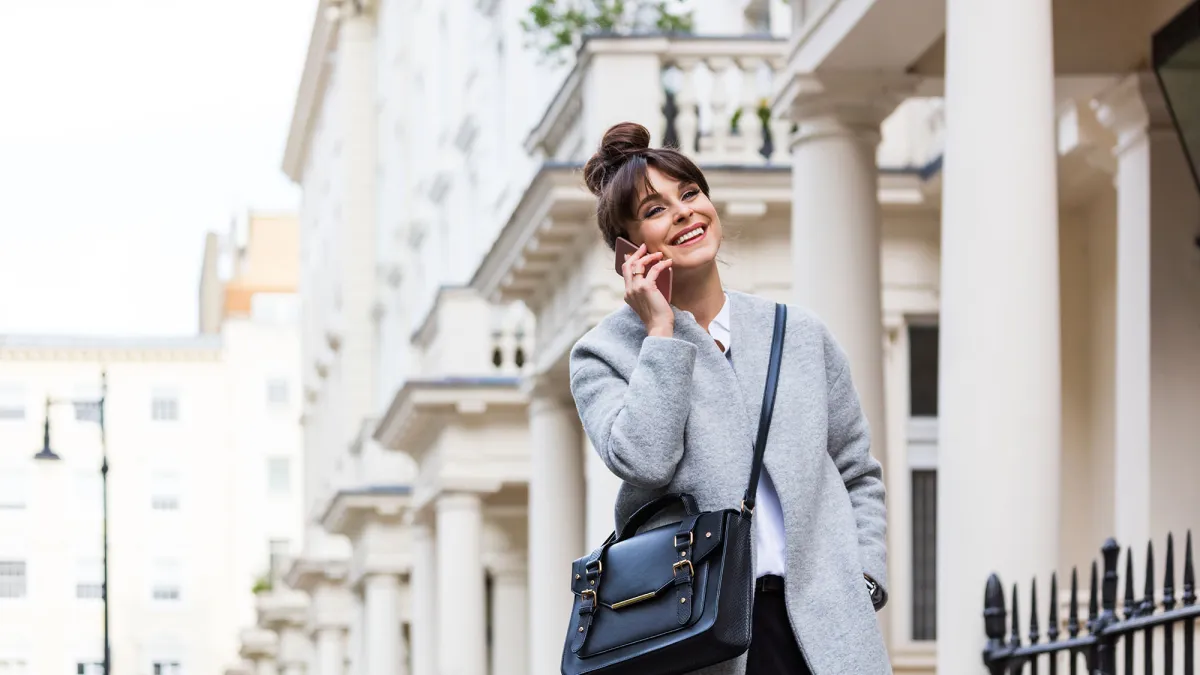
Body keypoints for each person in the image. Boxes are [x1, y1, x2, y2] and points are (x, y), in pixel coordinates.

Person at [568, 122, 892, 675]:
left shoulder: (798, 334)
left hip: (824, 629)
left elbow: (857, 472)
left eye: (690, 194)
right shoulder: (603, 354)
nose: (683, 213)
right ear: (628, 250)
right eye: (654, 209)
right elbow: (645, 460)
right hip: (697, 637)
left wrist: (863, 579)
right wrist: (661, 334)